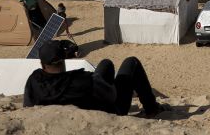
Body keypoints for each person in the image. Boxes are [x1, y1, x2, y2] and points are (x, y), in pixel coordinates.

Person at [23, 40, 164, 117]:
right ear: (64, 60)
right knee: (131, 62)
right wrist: (102, 82)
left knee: (106, 64)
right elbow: (111, 96)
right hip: (110, 113)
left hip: (66, 109)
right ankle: (151, 108)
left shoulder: (34, 80)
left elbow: (27, 108)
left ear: (42, 63)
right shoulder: (81, 80)